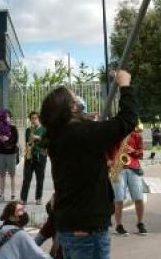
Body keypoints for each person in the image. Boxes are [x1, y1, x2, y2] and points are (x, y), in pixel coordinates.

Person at [41, 70, 137, 259]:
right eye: (74, 97)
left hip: (71, 224)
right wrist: (125, 86)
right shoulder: (83, 133)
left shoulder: (57, 134)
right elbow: (127, 120)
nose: (78, 98)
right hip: (86, 229)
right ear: (72, 108)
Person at [110, 122, 147, 236]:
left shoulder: (136, 135)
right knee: (119, 199)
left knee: (139, 197)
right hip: (118, 168)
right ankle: (119, 225)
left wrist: (131, 150)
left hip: (133, 168)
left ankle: (140, 223)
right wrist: (108, 160)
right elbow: (107, 150)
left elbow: (141, 154)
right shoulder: (114, 134)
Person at [20, 111, 47, 205]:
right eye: (32, 118)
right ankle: (23, 198)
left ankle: (38, 197)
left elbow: (47, 141)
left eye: (35, 118)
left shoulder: (44, 129)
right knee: (26, 178)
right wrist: (31, 136)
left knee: (40, 178)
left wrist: (37, 137)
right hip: (29, 156)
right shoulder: (28, 130)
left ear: (39, 119)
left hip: (40, 156)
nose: (33, 120)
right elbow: (28, 142)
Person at [0, 109, 18, 200]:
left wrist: (7, 139)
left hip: (11, 154)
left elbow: (15, 140)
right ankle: (1, 194)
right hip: (0, 154)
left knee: (12, 175)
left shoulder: (13, 128)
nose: (6, 118)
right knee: (1, 175)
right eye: (4, 117)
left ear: (10, 118)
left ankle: (13, 193)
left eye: (7, 117)